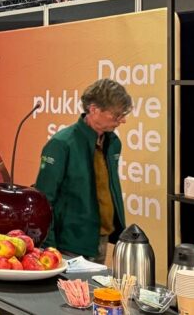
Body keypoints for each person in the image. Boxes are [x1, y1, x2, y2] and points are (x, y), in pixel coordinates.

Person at [35, 78, 130, 263]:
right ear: (94, 109)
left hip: (100, 239)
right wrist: (49, 247)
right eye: (116, 115)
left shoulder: (113, 143)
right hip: (68, 245)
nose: (122, 120)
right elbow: (44, 200)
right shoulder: (61, 144)